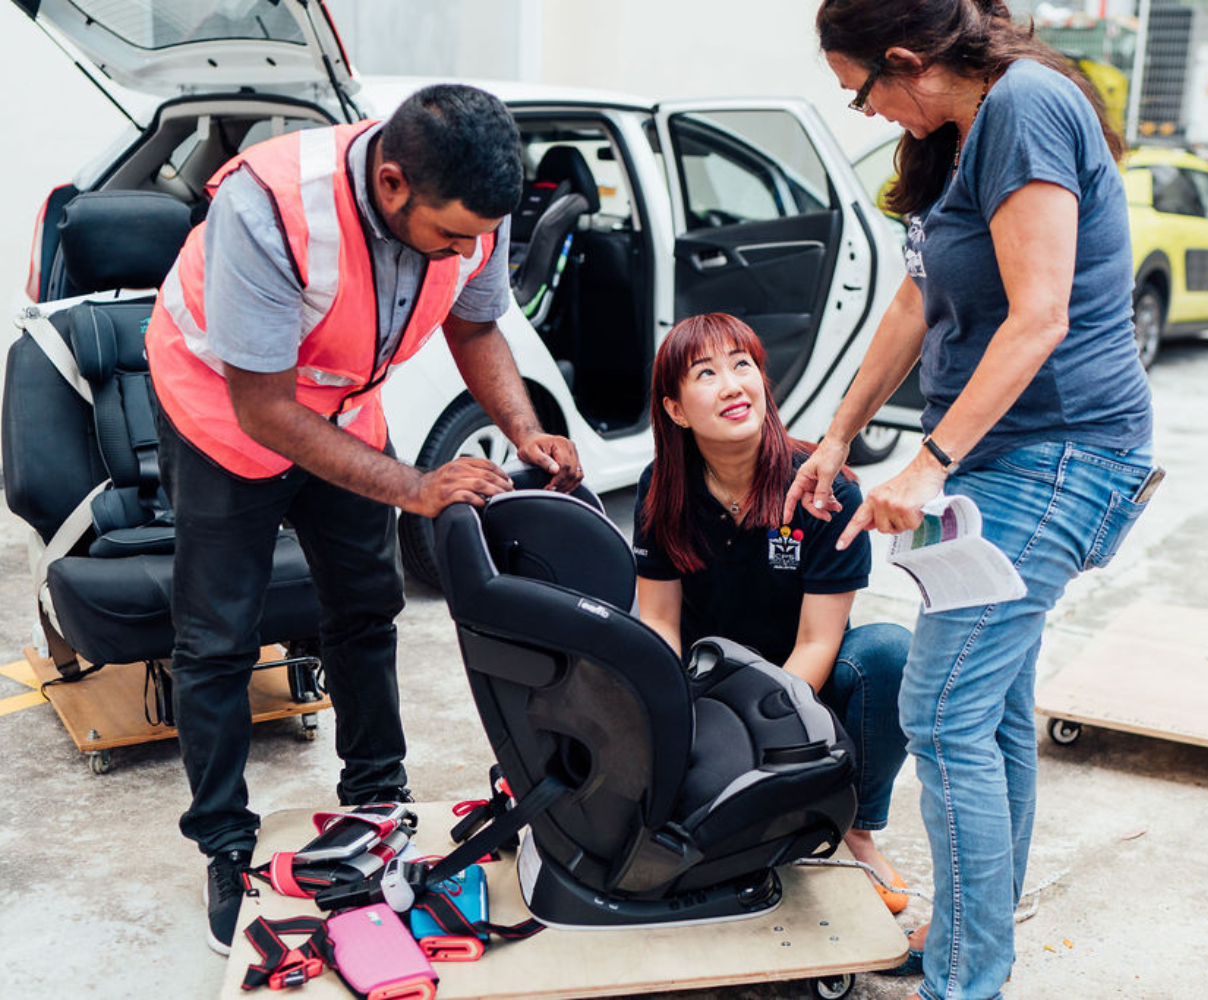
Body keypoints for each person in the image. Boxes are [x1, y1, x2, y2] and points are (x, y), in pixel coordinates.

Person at [145, 84, 582, 954]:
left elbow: (477, 323)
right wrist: (416, 486)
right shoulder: (267, 207)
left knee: (365, 607)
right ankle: (226, 843)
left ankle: (376, 796)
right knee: (218, 637)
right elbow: (265, 407)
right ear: (390, 184)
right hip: (226, 416)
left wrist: (528, 429)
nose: (469, 250)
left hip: (344, 410)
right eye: (454, 234)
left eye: (480, 237)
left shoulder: (469, 213)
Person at [792, 2, 1157, 997]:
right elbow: (915, 298)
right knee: (986, 714)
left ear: (904, 61)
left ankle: (966, 978)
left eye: (860, 90)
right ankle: (966, 947)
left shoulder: (1026, 107)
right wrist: (837, 433)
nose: (863, 113)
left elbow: (1039, 316)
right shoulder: (960, 133)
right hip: (1004, 461)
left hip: (1062, 454)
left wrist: (929, 460)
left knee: (941, 709)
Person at [632, 312, 912, 911]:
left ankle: (856, 828)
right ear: (677, 409)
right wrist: (678, 716)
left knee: (887, 652)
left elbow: (817, 641)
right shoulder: (661, 487)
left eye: (743, 365)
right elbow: (657, 620)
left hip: (802, 689)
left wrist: (762, 726)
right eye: (705, 373)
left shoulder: (825, 491)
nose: (733, 384)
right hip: (702, 690)